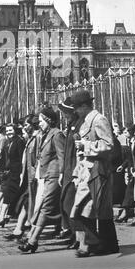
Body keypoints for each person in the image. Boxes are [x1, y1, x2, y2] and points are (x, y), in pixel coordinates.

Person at [68, 90, 119, 258]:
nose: (75, 111)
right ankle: (101, 243)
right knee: (87, 208)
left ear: (84, 106)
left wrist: (86, 145)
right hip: (86, 171)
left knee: (91, 208)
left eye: (76, 107)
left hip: (98, 170)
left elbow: (108, 145)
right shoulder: (85, 121)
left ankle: (96, 244)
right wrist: (77, 173)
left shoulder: (99, 120)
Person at [18, 107, 65, 253]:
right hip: (46, 175)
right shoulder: (45, 134)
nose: (39, 124)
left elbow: (61, 155)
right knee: (42, 206)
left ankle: (33, 240)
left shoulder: (56, 134)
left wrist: (62, 173)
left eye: (41, 121)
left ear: (49, 120)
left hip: (55, 175)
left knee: (45, 206)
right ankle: (32, 236)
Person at [4, 114, 40, 241]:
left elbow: (37, 158)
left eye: (25, 125)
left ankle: (30, 232)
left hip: (34, 178)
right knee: (25, 204)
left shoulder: (37, 138)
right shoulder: (30, 138)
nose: (23, 128)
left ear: (32, 125)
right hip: (27, 178)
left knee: (33, 205)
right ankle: (19, 229)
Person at [57, 97, 83, 248]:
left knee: (71, 204)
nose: (64, 115)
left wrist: (75, 173)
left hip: (74, 171)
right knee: (66, 205)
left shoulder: (78, 126)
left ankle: (79, 237)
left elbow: (77, 153)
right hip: (68, 171)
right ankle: (74, 235)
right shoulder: (71, 125)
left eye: (66, 112)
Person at [0, 124, 25, 228]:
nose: (9, 132)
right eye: (7, 130)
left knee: (8, 195)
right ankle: (5, 217)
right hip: (10, 172)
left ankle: (2, 218)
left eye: (11, 130)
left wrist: (21, 173)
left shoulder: (18, 141)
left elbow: (22, 159)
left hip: (16, 173)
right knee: (8, 195)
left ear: (15, 131)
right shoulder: (9, 142)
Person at [115, 125, 135, 223]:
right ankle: (126, 212)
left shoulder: (133, 141)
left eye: (126, 132)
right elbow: (128, 159)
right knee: (129, 190)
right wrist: (123, 166)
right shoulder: (129, 142)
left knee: (130, 191)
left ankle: (125, 212)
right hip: (131, 169)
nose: (125, 134)